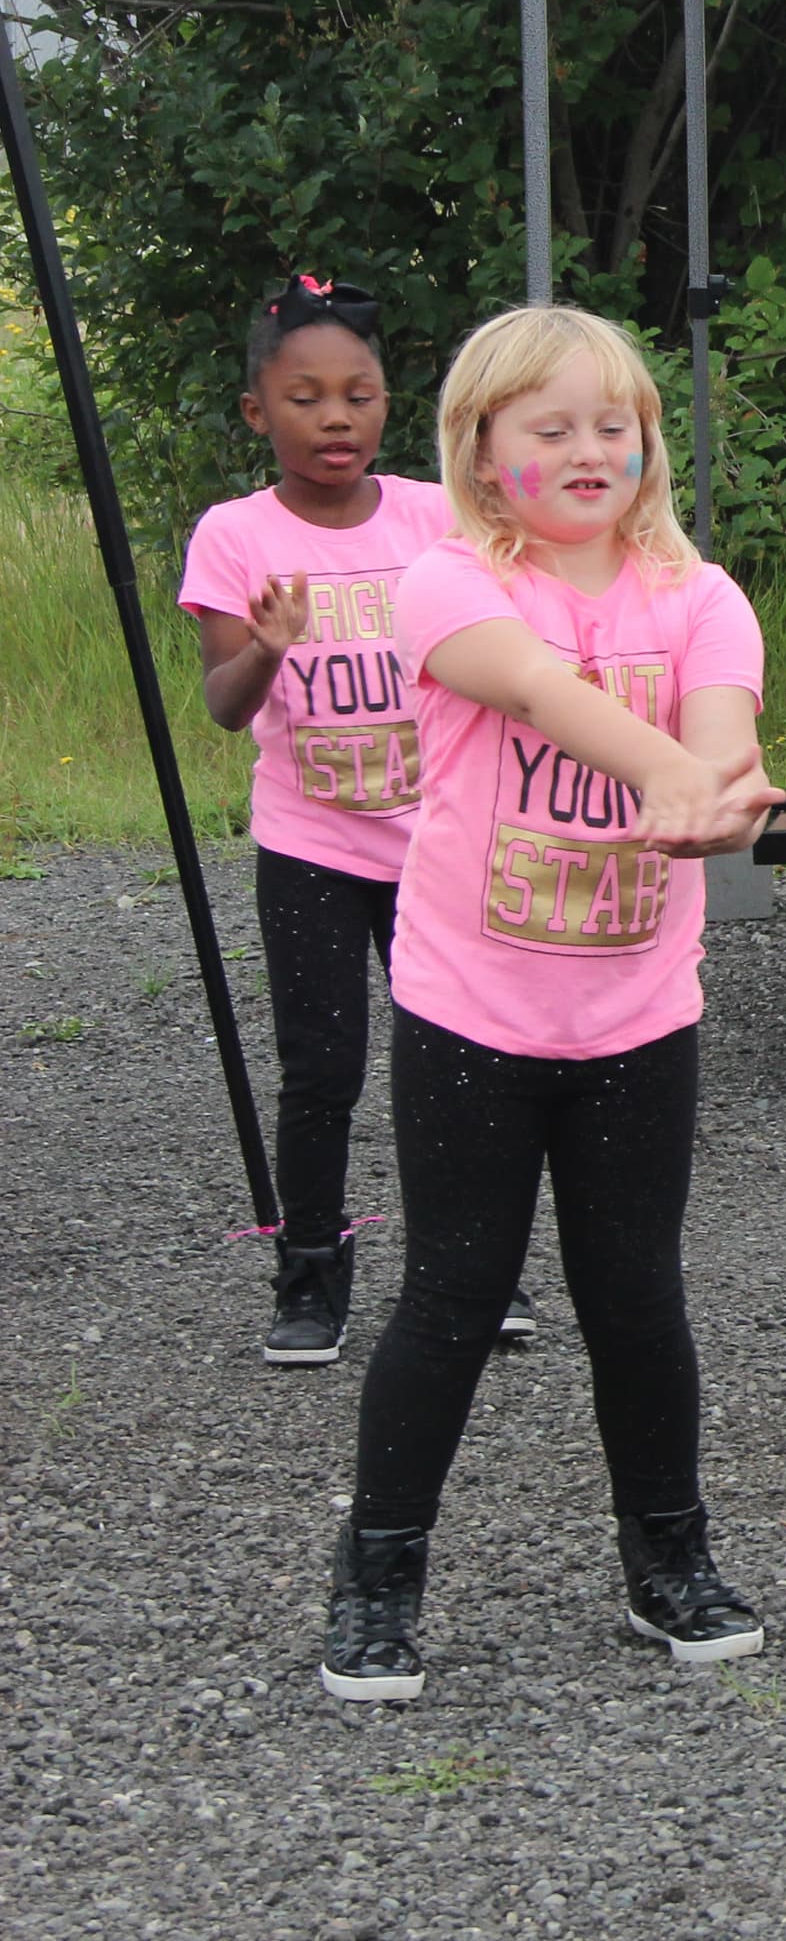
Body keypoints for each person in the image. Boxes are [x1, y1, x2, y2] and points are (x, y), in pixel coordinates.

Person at [319, 305, 785, 1701]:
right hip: (471, 1015)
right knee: (454, 1293)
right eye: (551, 427)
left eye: (615, 425)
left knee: (636, 1297)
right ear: (479, 450)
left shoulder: (700, 597)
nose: (591, 449)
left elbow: (722, 722)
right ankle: (380, 1574)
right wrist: (683, 782)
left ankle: (670, 1562)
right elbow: (536, 694)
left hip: (639, 1018)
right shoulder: (448, 585)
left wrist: (718, 786)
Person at [177, 275, 459, 1366]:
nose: (336, 418)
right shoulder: (234, 535)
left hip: (437, 839)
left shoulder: (436, 517)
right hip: (314, 848)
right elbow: (223, 706)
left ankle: (466, 1263)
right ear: (259, 411)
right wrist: (268, 647)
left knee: (456, 1059)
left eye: (360, 395)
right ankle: (310, 1275)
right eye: (306, 398)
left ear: (389, 405)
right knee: (324, 1065)